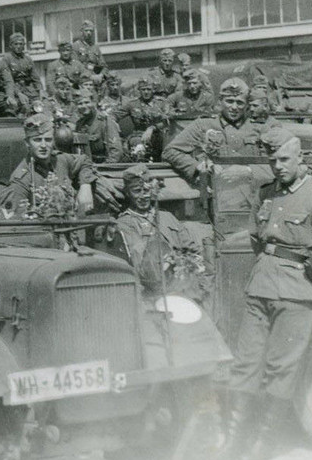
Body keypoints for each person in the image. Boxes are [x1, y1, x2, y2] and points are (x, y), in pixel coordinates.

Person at [219, 126, 312, 460]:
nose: (278, 166)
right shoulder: (266, 194)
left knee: (280, 367)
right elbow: (255, 237)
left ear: (300, 158)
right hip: (261, 284)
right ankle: (233, 438)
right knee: (245, 361)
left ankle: (265, 439)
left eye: (284, 159)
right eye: (272, 160)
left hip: (297, 293)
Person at [111, 163, 201, 295]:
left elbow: (191, 249)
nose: (143, 196)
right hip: (151, 292)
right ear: (128, 193)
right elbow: (140, 260)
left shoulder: (167, 217)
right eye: (137, 191)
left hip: (184, 286)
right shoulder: (124, 223)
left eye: (146, 190)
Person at [163, 77, 264, 186]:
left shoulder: (258, 128)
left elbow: (276, 160)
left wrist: (248, 170)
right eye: (229, 101)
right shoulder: (203, 125)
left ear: (247, 105)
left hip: (252, 191)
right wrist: (198, 166)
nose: (234, 107)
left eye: (239, 103)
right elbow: (170, 151)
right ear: (220, 101)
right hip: (215, 191)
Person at [6, 112, 101, 218]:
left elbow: (84, 161)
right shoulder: (21, 179)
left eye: (48, 140)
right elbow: (15, 220)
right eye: (37, 140)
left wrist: (85, 185)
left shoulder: (60, 160)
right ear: (27, 143)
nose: (43, 145)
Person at [119, 75, 167, 160]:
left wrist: (152, 128)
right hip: (139, 136)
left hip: (159, 135)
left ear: (153, 90)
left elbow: (167, 121)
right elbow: (114, 114)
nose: (146, 92)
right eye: (143, 89)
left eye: (149, 89)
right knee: (138, 148)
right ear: (139, 90)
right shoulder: (132, 104)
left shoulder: (162, 103)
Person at [72, 87, 123, 163]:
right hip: (87, 165)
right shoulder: (79, 124)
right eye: (80, 104)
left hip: (104, 165)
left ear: (93, 103)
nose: (84, 106)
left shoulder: (105, 121)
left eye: (87, 102)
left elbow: (116, 152)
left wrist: (105, 167)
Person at [2, 32, 41, 109]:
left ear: (24, 45)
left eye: (21, 44)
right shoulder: (6, 59)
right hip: (14, 90)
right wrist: (18, 93)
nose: (18, 46)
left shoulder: (28, 59)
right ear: (11, 45)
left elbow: (35, 78)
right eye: (16, 44)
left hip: (29, 89)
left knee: (42, 105)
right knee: (23, 107)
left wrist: (41, 90)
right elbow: (8, 80)